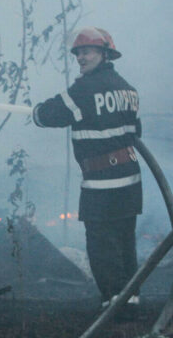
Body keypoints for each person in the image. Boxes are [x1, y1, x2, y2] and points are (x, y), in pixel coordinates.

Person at [32, 27, 143, 315]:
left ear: (104, 53)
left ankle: (112, 306)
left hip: (101, 182)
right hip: (130, 179)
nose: (81, 57)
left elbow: (50, 115)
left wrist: (35, 112)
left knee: (102, 245)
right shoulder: (129, 89)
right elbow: (136, 131)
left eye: (87, 51)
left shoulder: (84, 88)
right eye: (78, 52)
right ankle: (130, 302)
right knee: (124, 242)